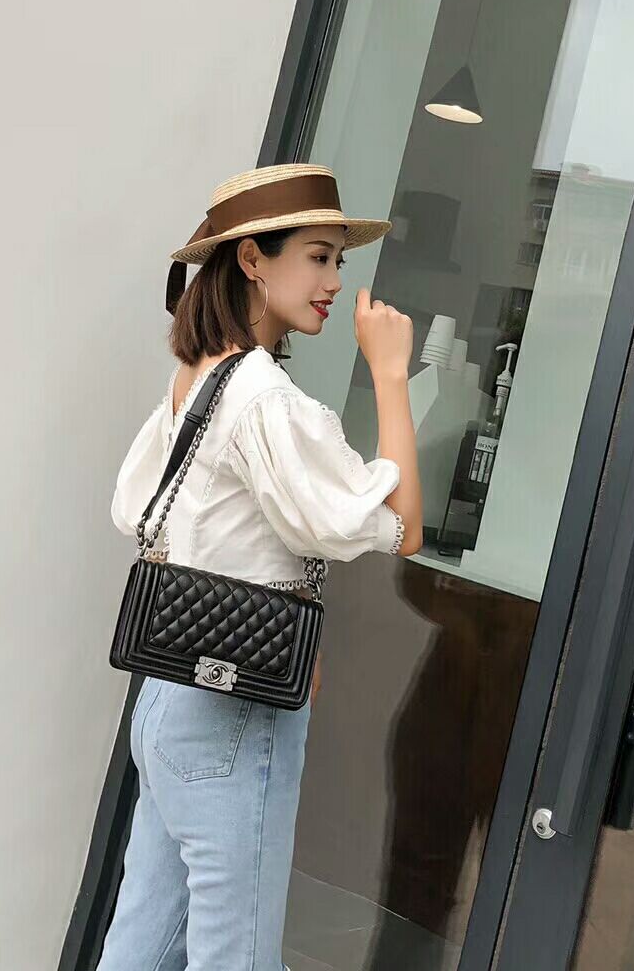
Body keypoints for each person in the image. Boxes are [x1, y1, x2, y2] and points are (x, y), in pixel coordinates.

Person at [100, 163, 422, 971]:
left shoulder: (202, 375)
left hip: (169, 698)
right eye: (317, 256)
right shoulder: (264, 398)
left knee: (141, 947)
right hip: (231, 712)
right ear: (252, 258)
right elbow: (402, 525)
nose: (334, 281)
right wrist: (390, 374)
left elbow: (141, 509)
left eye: (338, 260)